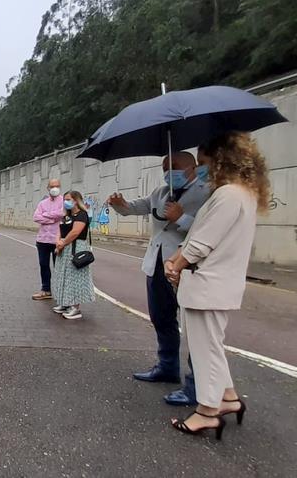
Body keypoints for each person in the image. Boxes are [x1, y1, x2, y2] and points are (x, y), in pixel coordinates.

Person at [164, 132, 268, 439]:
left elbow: (201, 243)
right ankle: (228, 398)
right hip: (220, 283)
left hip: (207, 285)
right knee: (213, 345)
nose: (200, 169)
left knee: (204, 349)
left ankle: (207, 412)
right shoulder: (242, 193)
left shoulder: (226, 196)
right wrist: (179, 255)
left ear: (220, 160)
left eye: (205, 162)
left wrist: (176, 265)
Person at [107, 151, 210, 406]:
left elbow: (209, 231)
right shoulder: (160, 192)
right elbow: (134, 208)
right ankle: (167, 367)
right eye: (165, 166)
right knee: (161, 317)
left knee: (194, 329)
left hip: (186, 267)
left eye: (174, 166)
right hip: (156, 265)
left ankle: (197, 386)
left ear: (192, 167)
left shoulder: (207, 193)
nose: (168, 171)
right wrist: (120, 204)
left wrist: (182, 218)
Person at [51, 190, 94, 320]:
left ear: (76, 200)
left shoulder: (82, 215)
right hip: (64, 249)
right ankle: (64, 303)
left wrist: (62, 243)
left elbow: (75, 232)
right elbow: (59, 230)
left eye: (68, 199)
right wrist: (58, 242)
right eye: (65, 199)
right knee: (62, 275)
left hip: (75, 249)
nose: (66, 202)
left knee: (74, 277)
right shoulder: (66, 216)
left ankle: (75, 307)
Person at [31, 179, 64, 301]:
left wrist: (45, 215)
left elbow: (62, 213)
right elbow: (36, 217)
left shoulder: (64, 201)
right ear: (48, 188)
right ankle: (46, 290)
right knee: (43, 265)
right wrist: (52, 219)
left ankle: (61, 292)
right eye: (52, 186)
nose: (54, 188)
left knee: (59, 267)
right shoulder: (42, 203)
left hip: (58, 240)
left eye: (57, 186)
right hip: (43, 239)